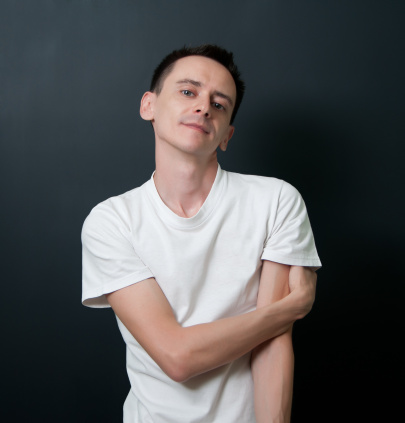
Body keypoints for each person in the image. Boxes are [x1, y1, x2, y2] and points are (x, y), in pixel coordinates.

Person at [81, 44, 321, 423]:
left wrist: (277, 318)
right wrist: (290, 308)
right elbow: (177, 357)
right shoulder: (111, 221)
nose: (204, 107)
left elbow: (272, 348)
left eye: (220, 104)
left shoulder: (276, 200)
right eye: (188, 91)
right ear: (149, 106)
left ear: (226, 135)